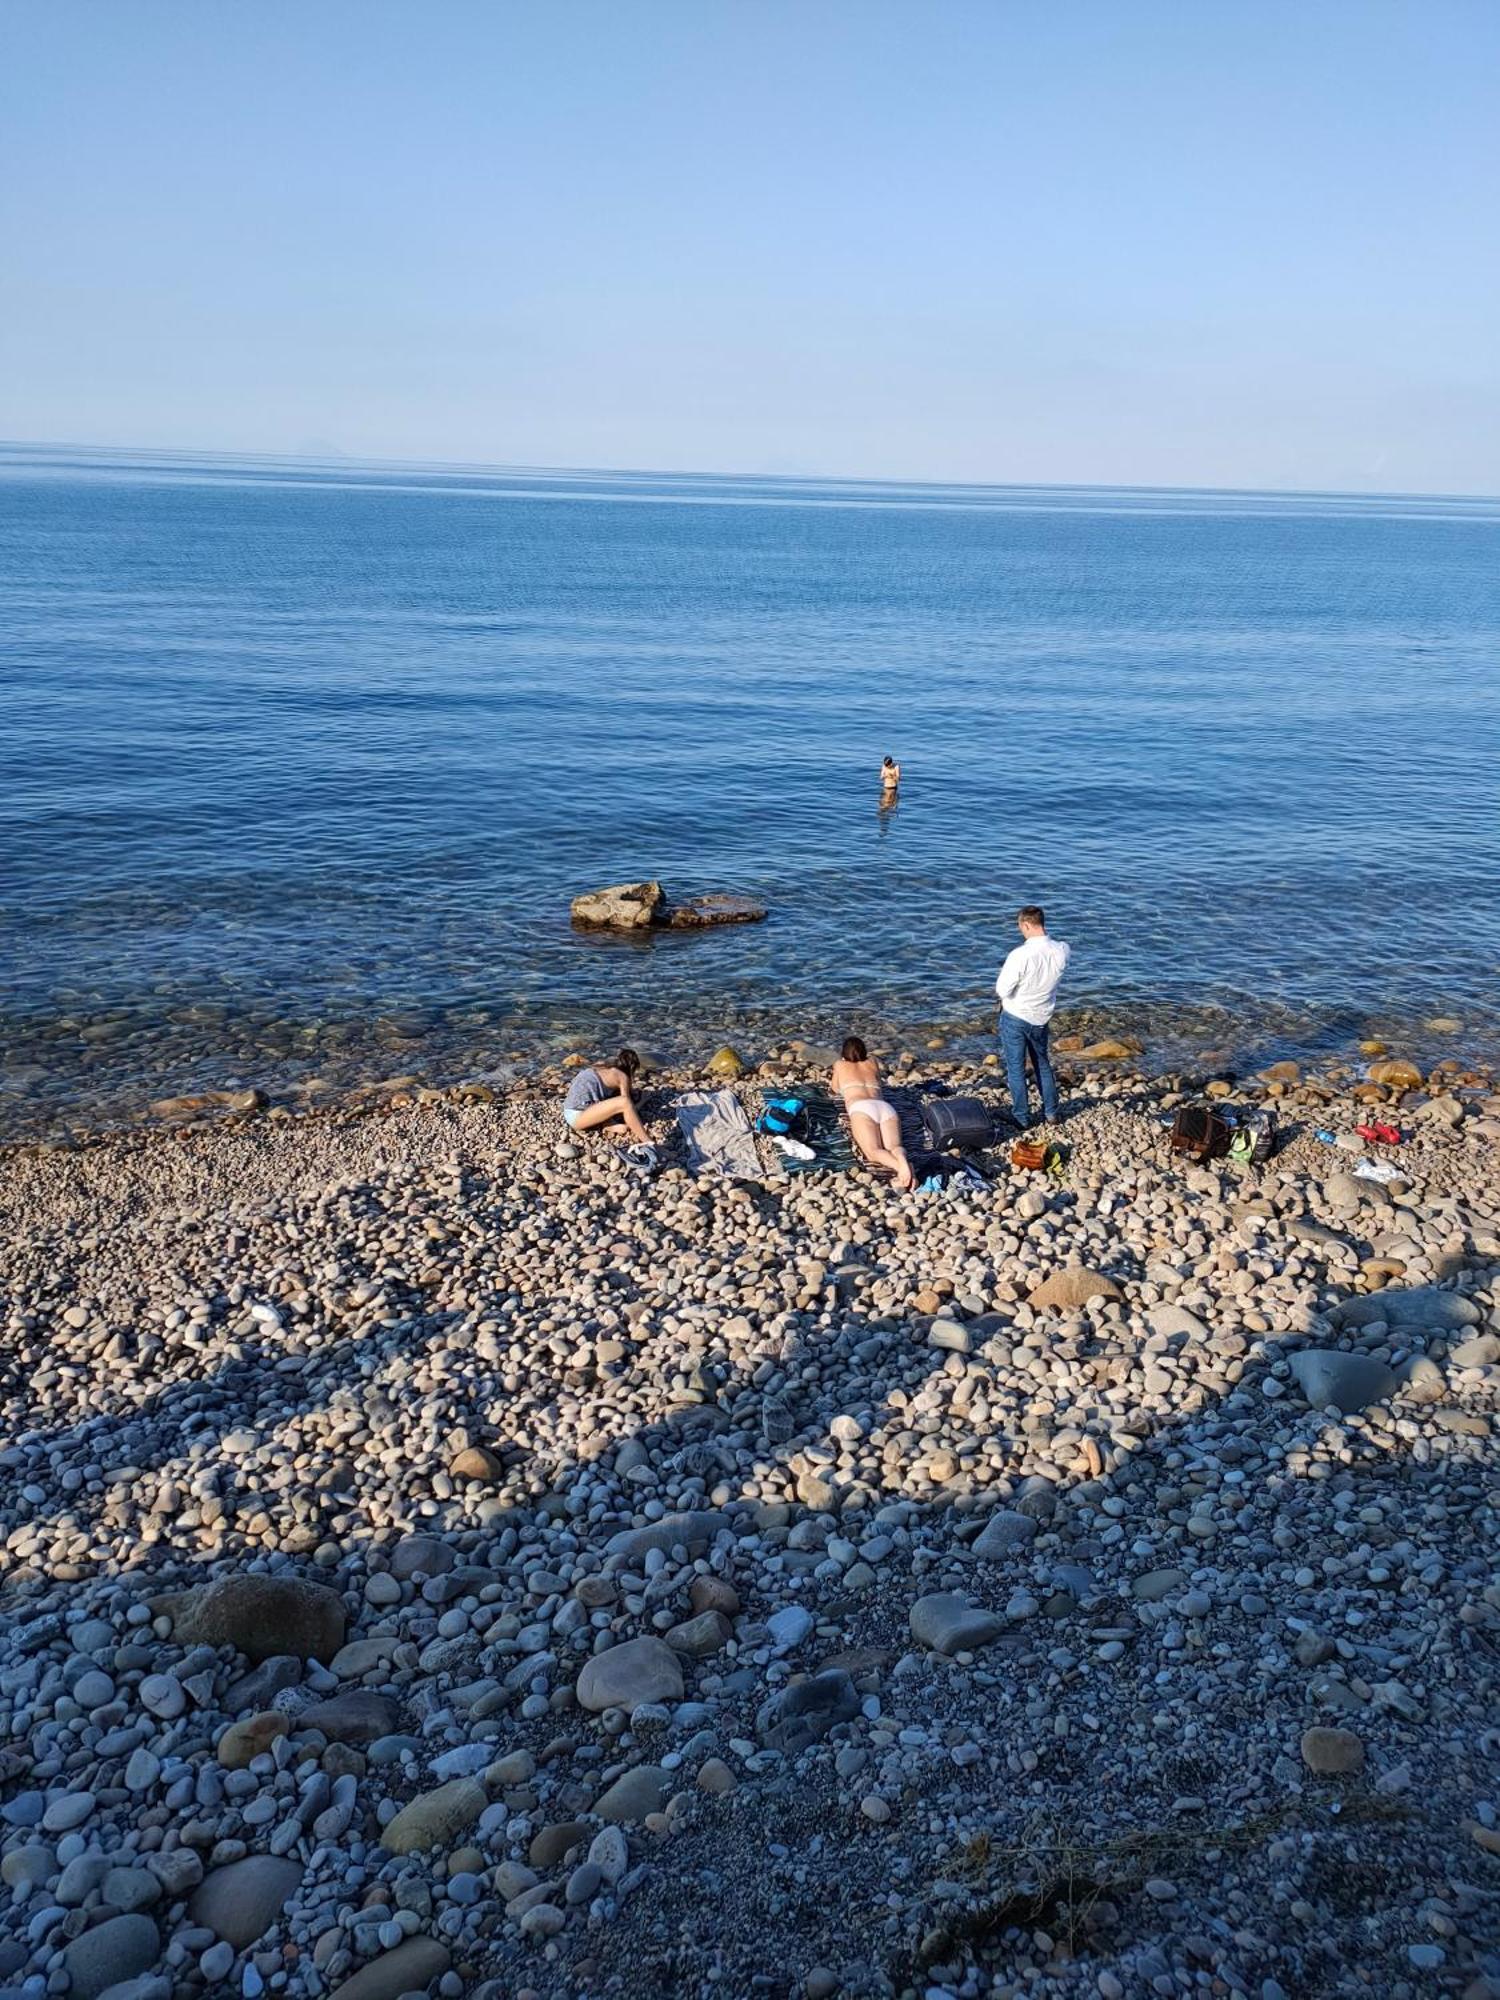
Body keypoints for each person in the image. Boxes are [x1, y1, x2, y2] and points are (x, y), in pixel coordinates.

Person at [995, 905, 1070, 1128]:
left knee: (1016, 1068)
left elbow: (1002, 990)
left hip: (1015, 1016)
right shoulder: (1063, 950)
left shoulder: (1020, 955)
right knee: (1042, 1063)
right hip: (1041, 1017)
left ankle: (1022, 1116)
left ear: (1026, 925)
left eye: (1021, 928)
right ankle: (1052, 1113)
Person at [831, 1034, 915, 1189]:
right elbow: (878, 1081)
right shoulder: (873, 1061)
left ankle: (901, 1169)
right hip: (885, 1108)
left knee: (873, 1151)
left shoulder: (839, 1065)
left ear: (843, 1053)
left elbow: (835, 1089)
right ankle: (903, 1162)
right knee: (894, 1147)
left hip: (861, 1108)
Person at [562, 1049, 649, 1143]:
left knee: (612, 1099)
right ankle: (648, 1142)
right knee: (624, 1102)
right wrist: (643, 1101)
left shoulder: (599, 1066)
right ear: (631, 1067)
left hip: (568, 1110)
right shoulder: (622, 1077)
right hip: (577, 1118)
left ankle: (607, 1125)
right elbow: (627, 1107)